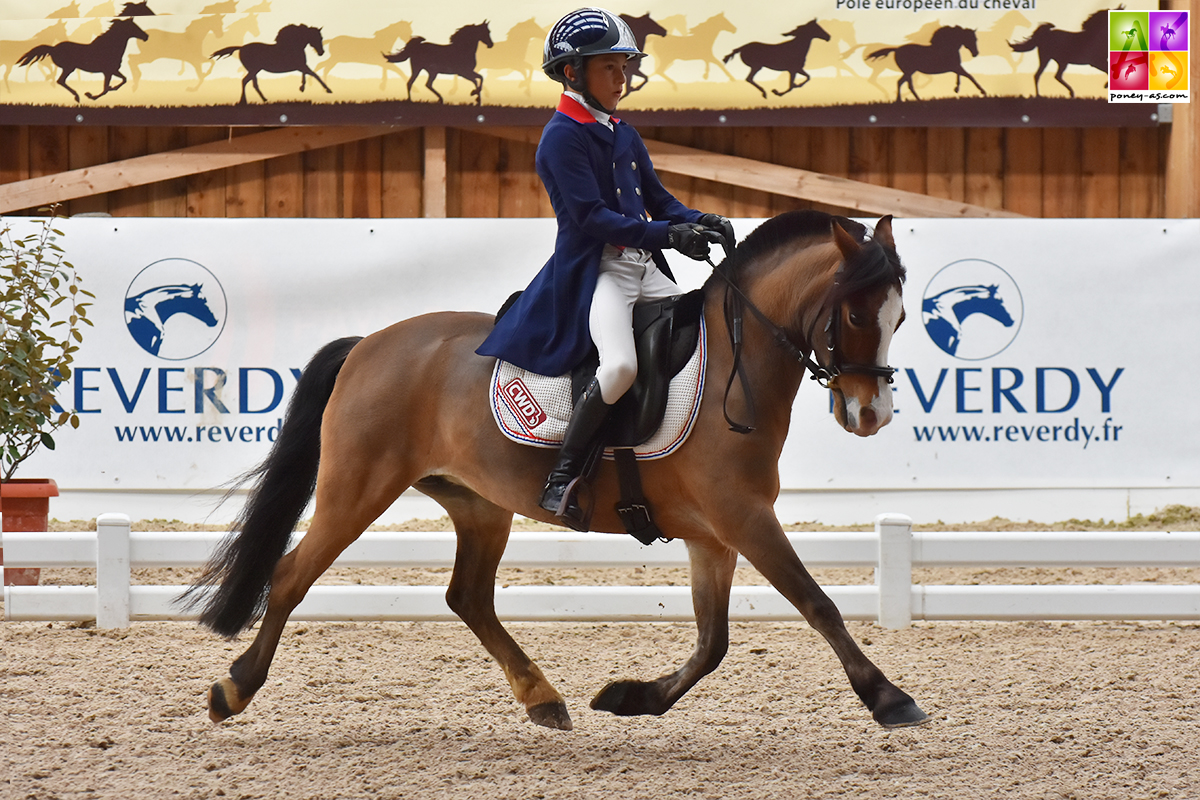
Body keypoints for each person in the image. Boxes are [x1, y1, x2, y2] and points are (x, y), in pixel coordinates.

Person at [476, 7, 735, 531]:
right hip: (597, 270)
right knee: (618, 367)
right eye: (611, 68)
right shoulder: (561, 137)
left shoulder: (621, 131)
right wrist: (669, 235)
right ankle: (563, 477)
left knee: (707, 333)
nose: (624, 78)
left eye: (626, 67)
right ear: (573, 72)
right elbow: (594, 219)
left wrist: (698, 220)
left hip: (643, 264)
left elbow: (659, 201)